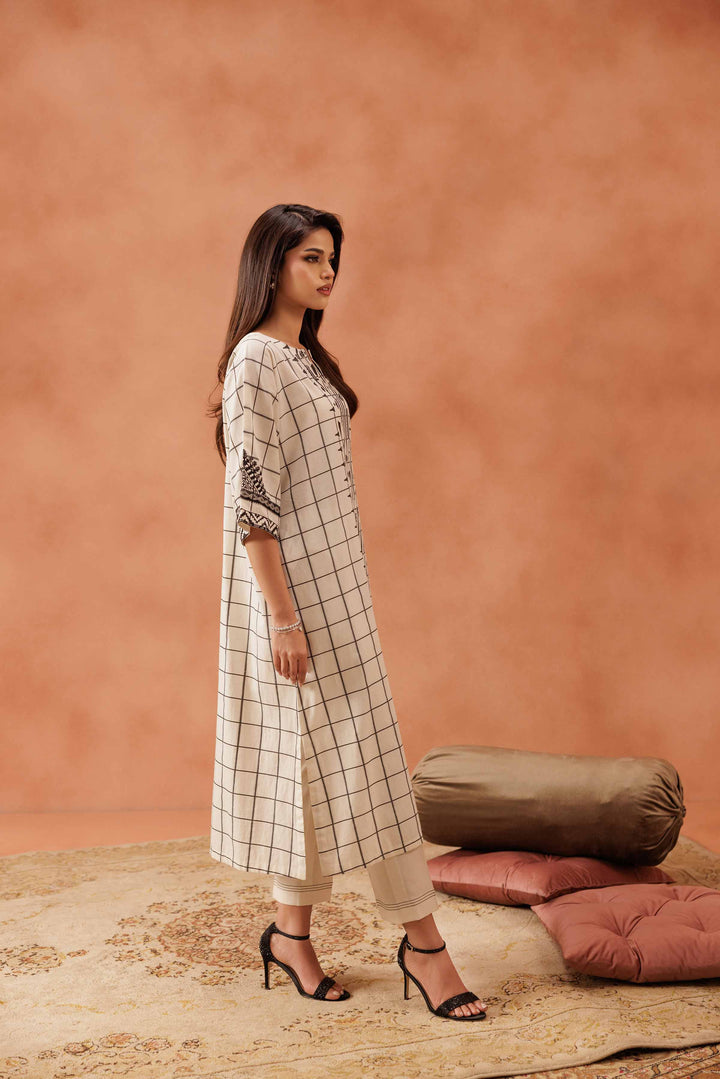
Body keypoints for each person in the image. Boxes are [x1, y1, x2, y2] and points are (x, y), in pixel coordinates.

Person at [208, 203, 486, 1020]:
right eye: (310, 257)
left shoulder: (305, 356)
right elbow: (253, 501)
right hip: (293, 597)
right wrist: (283, 617)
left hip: (337, 593)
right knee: (369, 764)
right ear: (271, 266)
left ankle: (289, 933)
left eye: (332, 258)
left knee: (315, 759)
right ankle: (425, 944)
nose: (328, 272)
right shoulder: (256, 358)